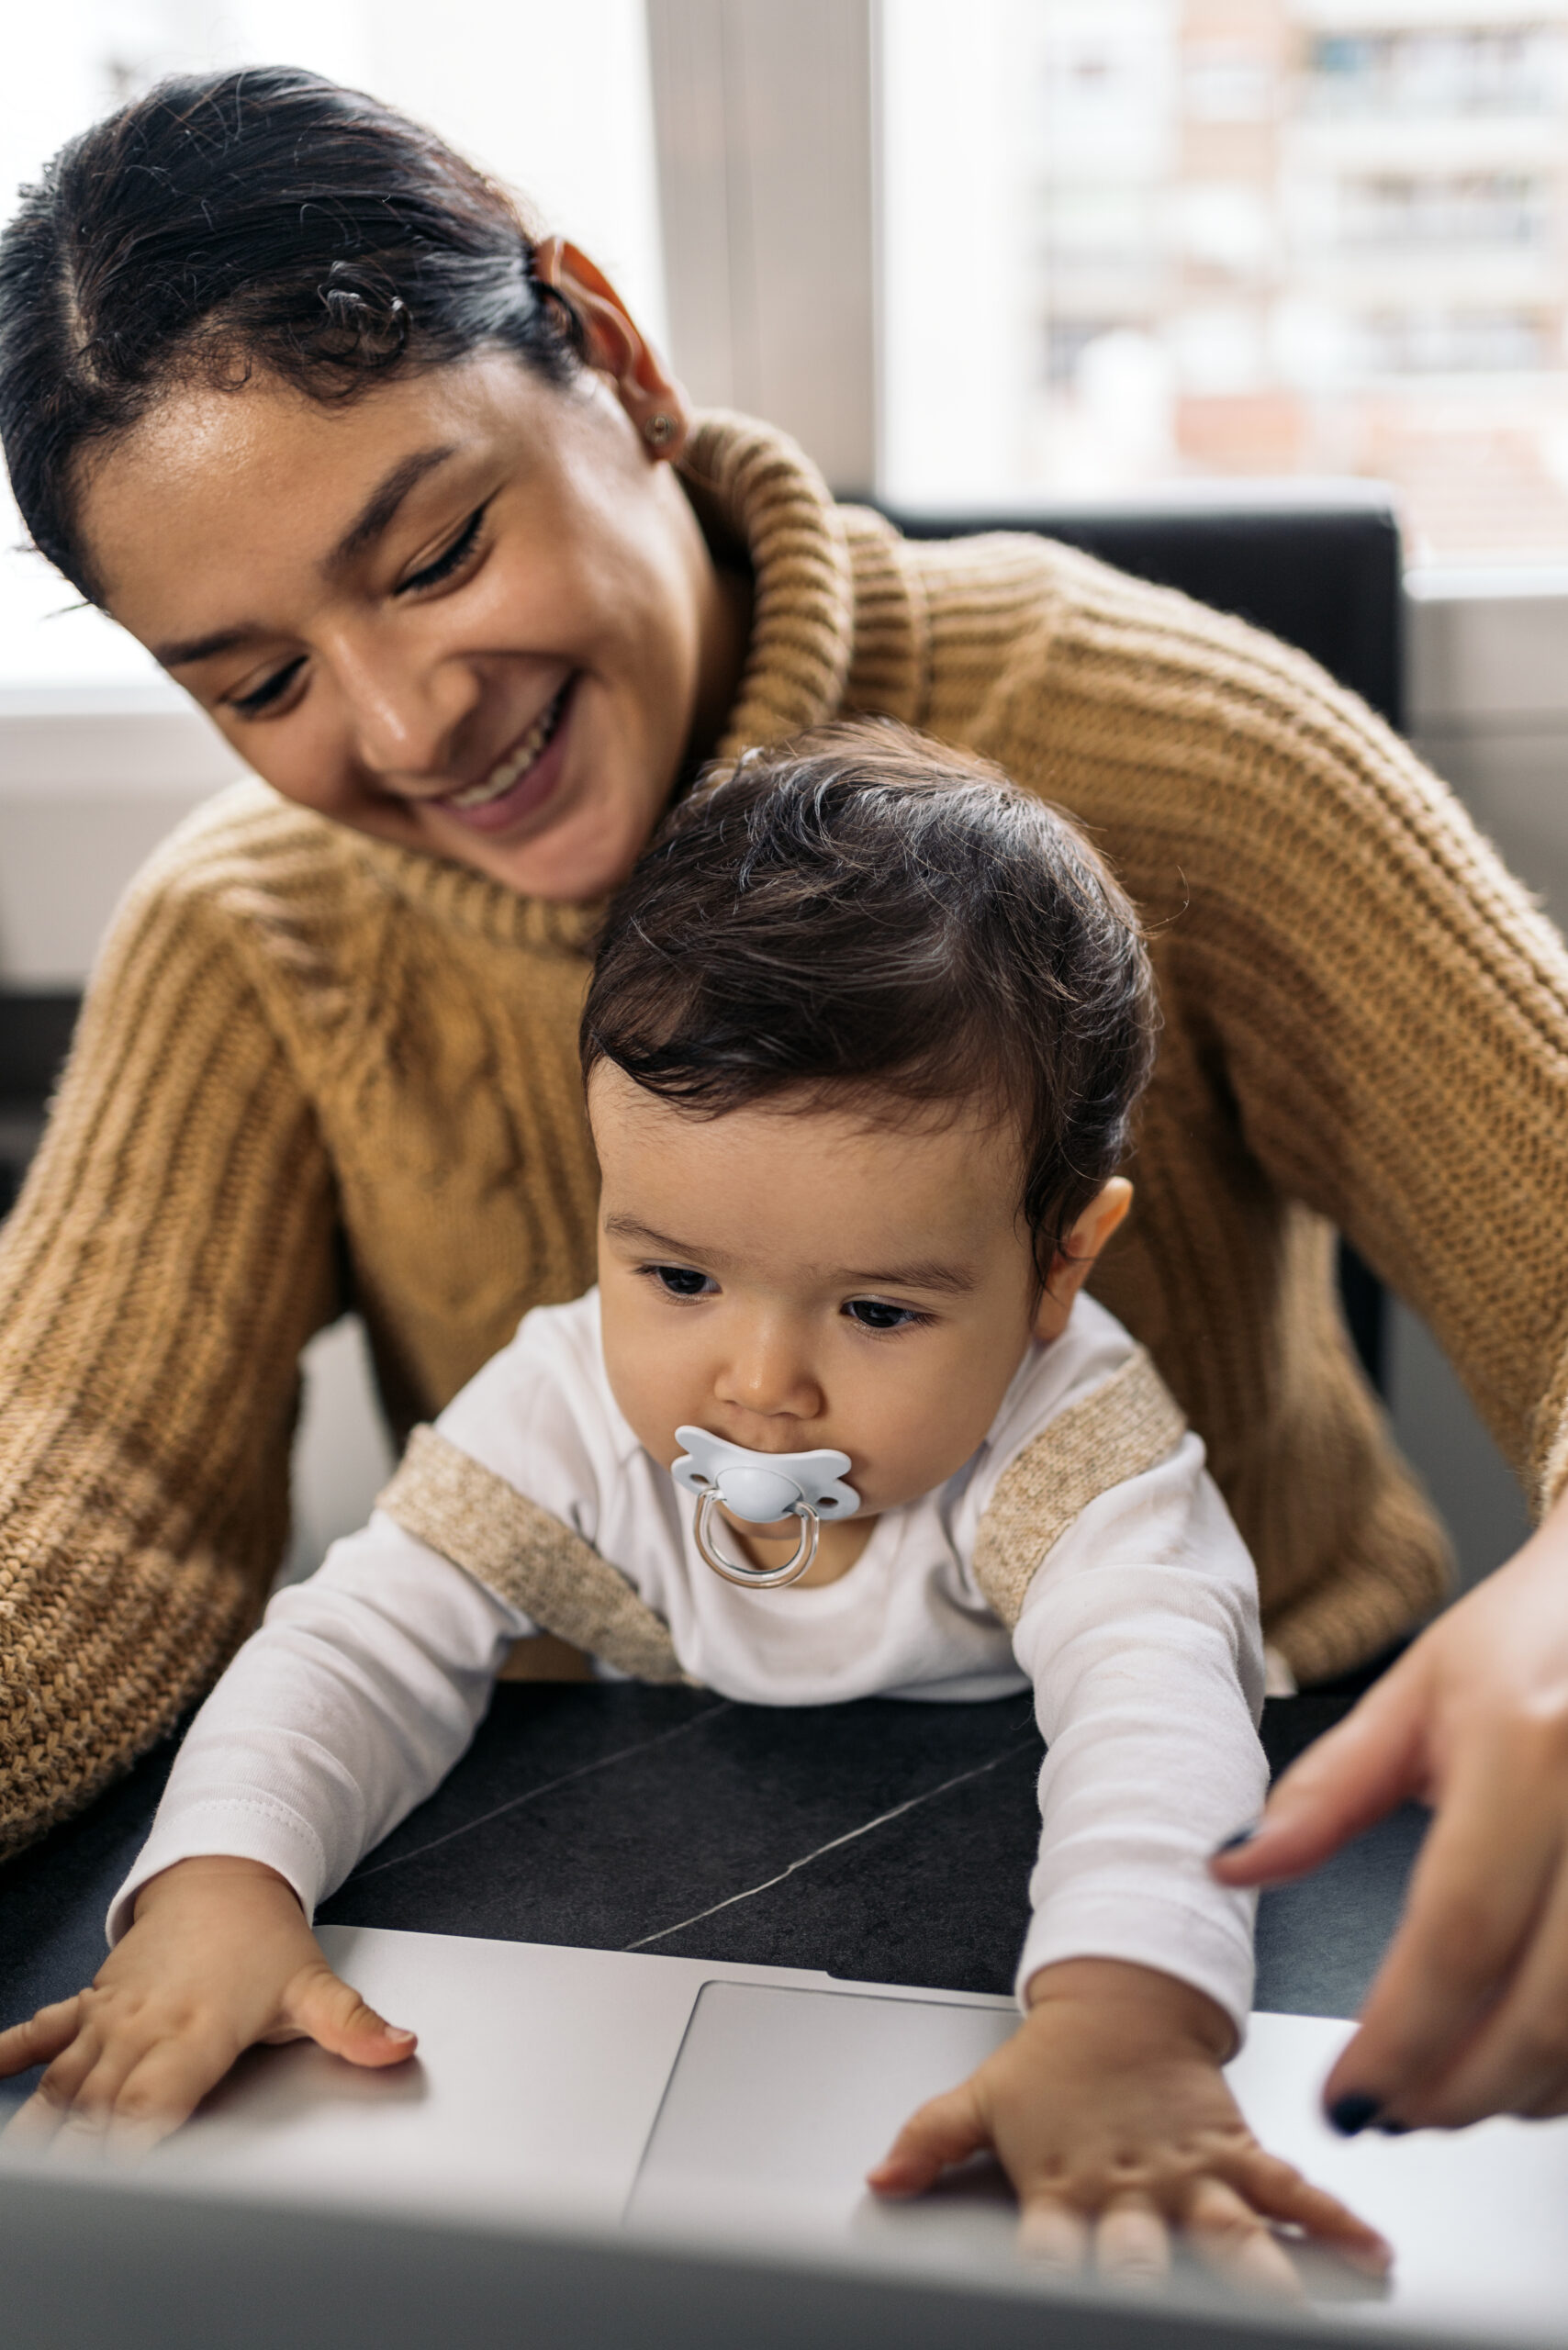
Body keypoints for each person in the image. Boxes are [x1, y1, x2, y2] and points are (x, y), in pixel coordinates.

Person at [0, 66, 1566, 2142]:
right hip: (568, 1876)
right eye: (257, 684)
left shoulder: (1178, 748)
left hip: (1240, 1841)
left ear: (614, 360)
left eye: (438, 548)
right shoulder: (246, 940)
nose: (401, 720)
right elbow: (76, 1485)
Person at [0, 733, 1391, 2293]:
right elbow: (360, 1640)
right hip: (665, 1872)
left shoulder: (1070, 1447)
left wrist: (1129, 2023)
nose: (757, 1384)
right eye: (676, 1276)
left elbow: (1160, 1714)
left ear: (1060, 1260)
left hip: (992, 1896)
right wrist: (219, 1888)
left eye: (874, 1311)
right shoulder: (566, 1404)